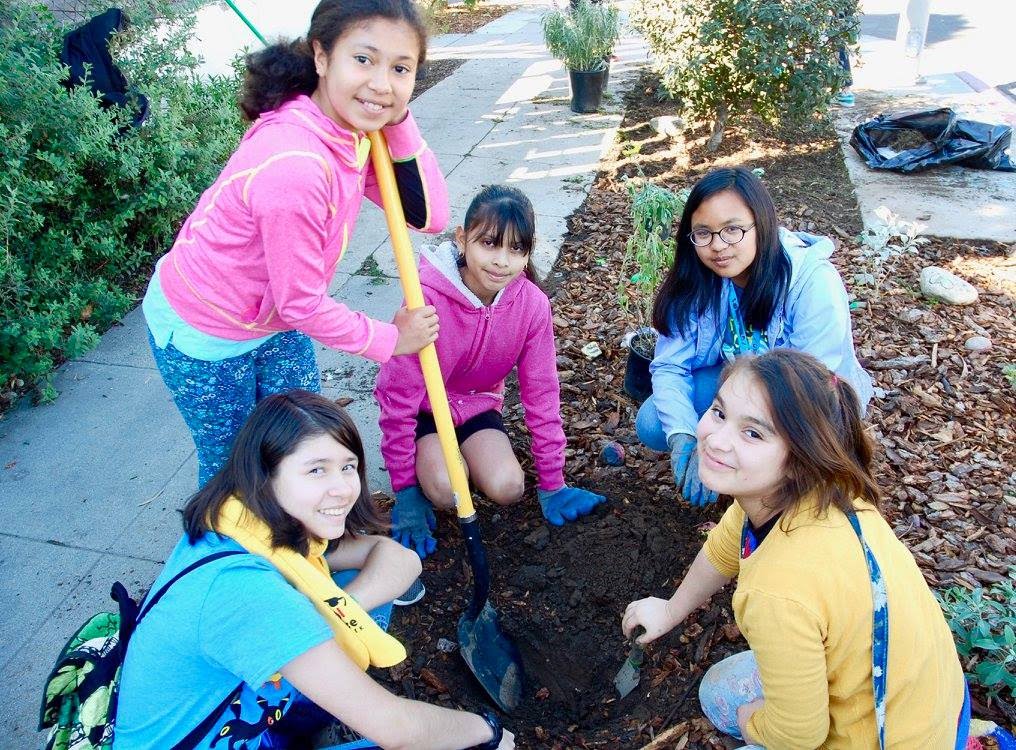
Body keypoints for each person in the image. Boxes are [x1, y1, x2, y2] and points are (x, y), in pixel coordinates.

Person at [143, 0, 449, 485]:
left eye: (400, 68)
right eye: (364, 59)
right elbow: (301, 303)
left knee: (305, 444)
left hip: (275, 315)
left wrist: (397, 116)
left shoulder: (351, 132)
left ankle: (304, 537)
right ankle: (227, 556)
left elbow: (429, 215)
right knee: (236, 470)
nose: (381, 82)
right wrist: (391, 340)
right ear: (322, 56)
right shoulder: (297, 164)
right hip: (206, 325)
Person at [115, 390, 514, 750]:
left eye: (348, 466)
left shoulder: (241, 523)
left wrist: (338, 610)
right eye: (316, 470)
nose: (343, 487)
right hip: (209, 736)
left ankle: (311, 716)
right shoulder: (245, 593)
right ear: (265, 475)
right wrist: (488, 732)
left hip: (230, 711)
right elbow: (398, 729)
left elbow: (400, 559)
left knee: (341, 590)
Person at [622, 350, 969, 750]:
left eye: (752, 433)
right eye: (719, 412)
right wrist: (670, 609)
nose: (715, 439)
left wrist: (751, 722)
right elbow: (723, 548)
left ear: (799, 458)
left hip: (885, 740)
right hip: (933, 706)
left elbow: (798, 735)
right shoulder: (823, 494)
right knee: (718, 690)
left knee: (730, 706)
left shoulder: (776, 591)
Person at [375, 185, 606, 559]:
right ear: (462, 240)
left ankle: (467, 461)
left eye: (516, 249)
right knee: (447, 488)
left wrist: (552, 483)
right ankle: (426, 467)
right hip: (424, 412)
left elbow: (542, 393)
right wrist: (404, 489)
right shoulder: (425, 299)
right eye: (489, 244)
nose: (501, 261)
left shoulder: (531, 305)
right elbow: (396, 393)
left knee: (509, 487)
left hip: (477, 410)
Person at [636, 166, 872, 506]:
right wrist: (686, 438)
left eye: (732, 230)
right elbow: (670, 367)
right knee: (655, 423)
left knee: (792, 479)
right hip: (741, 386)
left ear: (761, 224)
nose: (718, 247)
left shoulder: (811, 281)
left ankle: (769, 480)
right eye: (703, 233)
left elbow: (816, 384)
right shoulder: (699, 280)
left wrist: (743, 443)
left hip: (801, 399)